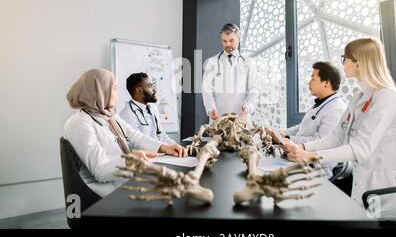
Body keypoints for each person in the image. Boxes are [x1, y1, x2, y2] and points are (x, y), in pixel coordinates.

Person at [283, 37, 396, 220]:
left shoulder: (387, 98)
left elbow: (361, 149)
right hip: (361, 190)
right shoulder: (360, 96)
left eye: (345, 58)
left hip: (382, 195)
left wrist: (311, 156)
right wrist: (302, 149)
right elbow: (335, 138)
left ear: (359, 62)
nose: (343, 64)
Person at [64, 68, 187, 197]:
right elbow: (99, 170)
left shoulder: (109, 116)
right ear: (100, 92)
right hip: (104, 191)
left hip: (124, 178)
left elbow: (134, 135)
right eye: (115, 89)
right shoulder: (79, 123)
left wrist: (164, 147)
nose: (117, 94)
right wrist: (128, 160)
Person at [266, 61, 346, 178]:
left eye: (313, 78)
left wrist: (288, 139)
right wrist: (281, 133)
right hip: (302, 158)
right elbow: (301, 127)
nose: (309, 82)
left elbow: (322, 141)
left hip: (319, 167)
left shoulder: (336, 109)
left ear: (326, 83)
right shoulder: (319, 103)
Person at [202, 23, 258, 122]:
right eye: (224, 41)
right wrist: (211, 108)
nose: (227, 44)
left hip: (241, 118)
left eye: (231, 40)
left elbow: (253, 89)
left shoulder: (248, 62)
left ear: (239, 39)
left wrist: (248, 107)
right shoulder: (212, 62)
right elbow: (206, 90)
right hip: (219, 118)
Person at [120, 72, 177, 145]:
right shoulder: (127, 114)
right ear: (139, 90)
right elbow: (138, 143)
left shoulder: (153, 108)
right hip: (146, 155)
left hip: (161, 154)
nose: (154, 90)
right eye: (150, 86)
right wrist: (164, 148)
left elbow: (161, 135)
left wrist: (177, 147)